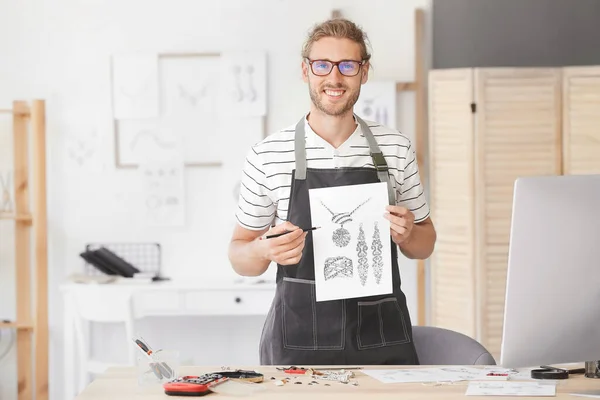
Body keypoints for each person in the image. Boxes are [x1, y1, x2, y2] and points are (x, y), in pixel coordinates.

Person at [228, 18, 436, 366]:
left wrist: (410, 232)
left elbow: (425, 245)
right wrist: (266, 248)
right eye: (323, 65)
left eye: (348, 65)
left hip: (380, 339)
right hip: (298, 343)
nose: (334, 78)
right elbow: (239, 257)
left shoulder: (395, 148)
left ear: (364, 71)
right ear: (306, 71)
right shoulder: (268, 154)